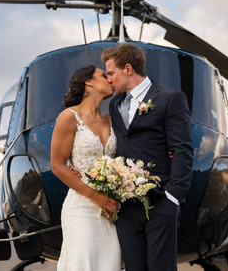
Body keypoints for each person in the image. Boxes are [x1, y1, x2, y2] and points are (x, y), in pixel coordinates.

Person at [101, 43, 194, 271]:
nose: (109, 79)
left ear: (129, 69)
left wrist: (173, 197)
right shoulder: (115, 104)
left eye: (111, 73)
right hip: (127, 208)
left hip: (161, 201)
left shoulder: (170, 99)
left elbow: (182, 149)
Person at [51, 65, 122, 271]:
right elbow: (57, 165)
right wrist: (95, 196)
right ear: (88, 82)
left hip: (110, 210)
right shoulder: (69, 117)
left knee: (110, 264)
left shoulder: (112, 120)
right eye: (104, 75)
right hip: (81, 207)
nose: (109, 79)